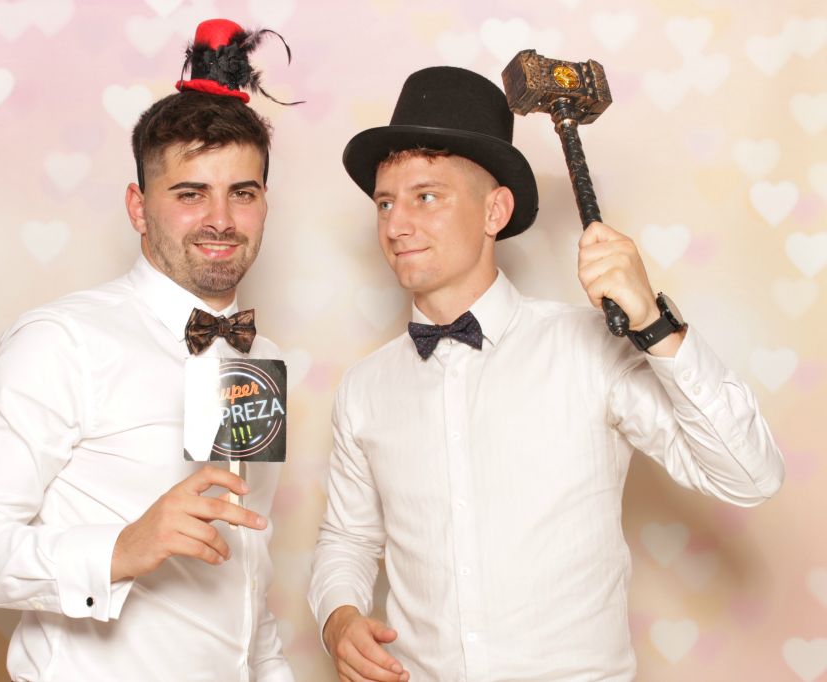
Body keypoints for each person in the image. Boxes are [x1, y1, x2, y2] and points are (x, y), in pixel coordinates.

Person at [307, 66, 784, 682]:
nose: (396, 225)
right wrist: (338, 617)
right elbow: (347, 538)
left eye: (426, 197)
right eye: (385, 203)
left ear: (495, 210)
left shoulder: (591, 349)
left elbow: (750, 475)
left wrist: (652, 321)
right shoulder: (363, 389)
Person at [0, 19, 296, 681]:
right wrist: (119, 549)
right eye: (190, 194)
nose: (220, 219)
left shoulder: (258, 356)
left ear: (264, 203)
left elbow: (244, 576)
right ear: (139, 207)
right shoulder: (62, 342)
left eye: (242, 193)